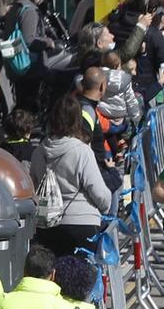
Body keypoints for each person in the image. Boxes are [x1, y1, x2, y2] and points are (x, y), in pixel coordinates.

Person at [35, 96, 116, 256]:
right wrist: (107, 207)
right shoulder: (82, 151)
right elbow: (98, 192)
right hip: (82, 222)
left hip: (48, 223)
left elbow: (34, 183)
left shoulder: (39, 151)